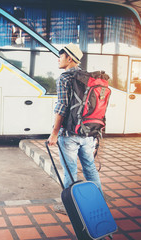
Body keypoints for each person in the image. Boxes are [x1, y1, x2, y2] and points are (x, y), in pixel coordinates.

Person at [47, 43, 103, 195]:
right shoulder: (87, 77)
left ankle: (72, 207)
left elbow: (62, 107)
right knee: (90, 169)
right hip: (87, 133)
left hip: (70, 135)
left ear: (69, 58)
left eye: (60, 56)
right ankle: (99, 201)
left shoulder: (64, 79)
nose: (58, 60)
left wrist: (54, 133)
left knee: (70, 172)